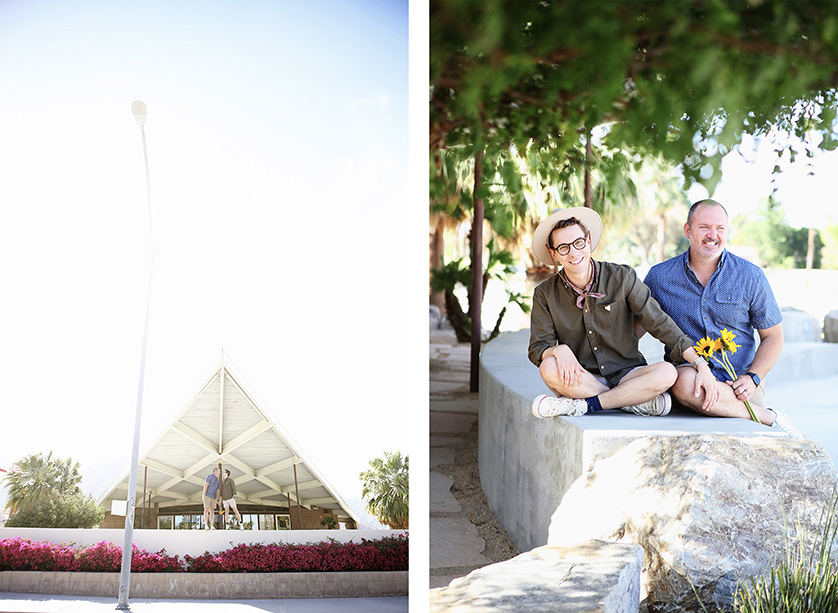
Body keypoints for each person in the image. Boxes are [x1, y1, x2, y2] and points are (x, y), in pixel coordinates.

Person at [528, 206, 718, 418]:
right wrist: (557, 350)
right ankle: (630, 401)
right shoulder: (544, 294)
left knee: (667, 373)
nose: (574, 252)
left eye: (578, 243)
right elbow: (538, 347)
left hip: (629, 374)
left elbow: (658, 322)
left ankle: (586, 405)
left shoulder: (621, 277)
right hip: (584, 377)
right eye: (563, 248)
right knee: (549, 368)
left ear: (588, 241)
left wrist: (699, 363)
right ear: (554, 253)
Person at [643, 199, 802, 437]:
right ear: (688, 230)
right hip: (691, 379)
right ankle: (768, 416)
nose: (712, 235)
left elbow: (773, 337)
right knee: (682, 382)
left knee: (690, 386)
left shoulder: (750, 276)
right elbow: (633, 327)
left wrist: (752, 378)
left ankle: (747, 408)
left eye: (720, 228)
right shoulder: (660, 277)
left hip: (740, 386)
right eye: (704, 227)